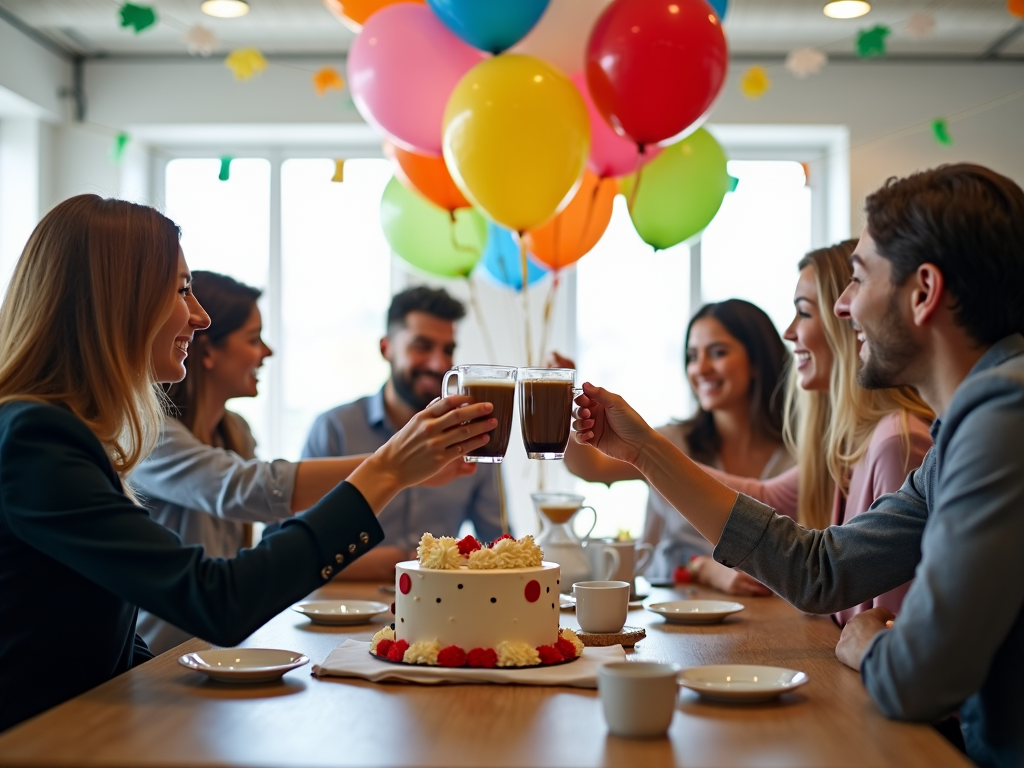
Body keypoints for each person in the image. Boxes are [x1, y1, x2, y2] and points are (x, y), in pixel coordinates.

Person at [572, 164, 1024, 768]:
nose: (843, 306)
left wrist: (866, 645)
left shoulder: (1003, 421)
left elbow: (918, 678)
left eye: (858, 278)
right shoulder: (965, 431)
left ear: (923, 292)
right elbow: (823, 569)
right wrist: (645, 451)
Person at [0, 195, 496, 732]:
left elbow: (116, 630)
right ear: (116, 300)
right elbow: (218, 599)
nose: (200, 315)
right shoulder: (35, 440)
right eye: (181, 289)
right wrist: (388, 470)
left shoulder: (63, 434)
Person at [131, 272, 475, 654]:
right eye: (252, 339)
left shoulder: (236, 432)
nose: (267, 352)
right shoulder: (150, 433)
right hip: (164, 658)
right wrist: (393, 465)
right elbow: (247, 488)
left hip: (218, 649)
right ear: (207, 351)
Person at [700, 242, 933, 626]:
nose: (789, 332)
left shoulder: (897, 443)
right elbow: (762, 498)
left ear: (849, 321)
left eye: (803, 313)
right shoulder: (851, 443)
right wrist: (644, 456)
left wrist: (646, 455)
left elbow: (890, 626)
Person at [557, 299, 794, 595]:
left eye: (718, 353)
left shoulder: (796, 455)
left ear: (758, 361)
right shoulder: (670, 442)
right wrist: (559, 403)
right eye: (692, 356)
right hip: (677, 611)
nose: (701, 368)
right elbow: (590, 466)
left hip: (772, 615)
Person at [303, 287, 504, 575]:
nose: (439, 364)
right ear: (386, 348)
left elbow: (497, 546)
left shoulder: (474, 437)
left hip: (441, 609)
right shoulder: (334, 429)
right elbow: (297, 548)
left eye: (447, 350)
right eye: (422, 346)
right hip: (339, 609)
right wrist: (397, 560)